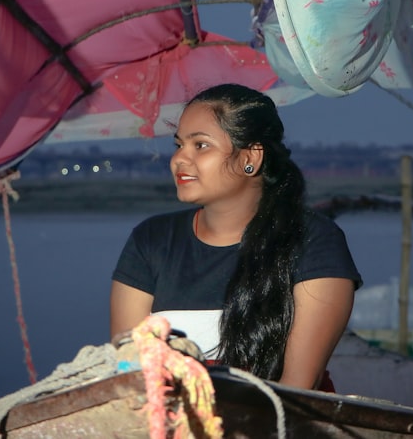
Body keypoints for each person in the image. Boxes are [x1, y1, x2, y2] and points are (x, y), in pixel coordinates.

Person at [110, 83, 362, 390]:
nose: (178, 160)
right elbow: (130, 372)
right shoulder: (151, 240)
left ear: (251, 158)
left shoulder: (313, 241)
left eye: (200, 146)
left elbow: (298, 385)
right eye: (179, 145)